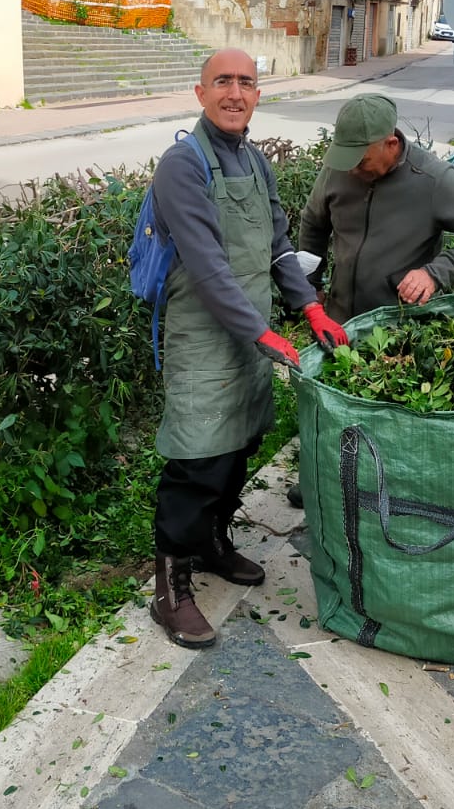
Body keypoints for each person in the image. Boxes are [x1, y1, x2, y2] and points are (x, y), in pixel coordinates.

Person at [147, 49, 349, 649]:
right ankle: (170, 587)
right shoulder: (182, 167)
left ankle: (213, 543)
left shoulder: (256, 162)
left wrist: (309, 306)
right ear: (201, 92)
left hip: (253, 335)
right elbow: (209, 271)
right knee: (198, 458)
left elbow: (280, 247)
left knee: (238, 445)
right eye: (223, 83)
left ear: (258, 95)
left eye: (247, 83)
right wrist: (261, 333)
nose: (235, 93)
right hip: (206, 338)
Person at [299, 93, 454, 326]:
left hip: (400, 327)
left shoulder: (432, 179)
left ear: (391, 144)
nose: (351, 171)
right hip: (339, 321)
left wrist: (434, 274)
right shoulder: (339, 167)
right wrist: (311, 285)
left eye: (361, 161)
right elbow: (314, 224)